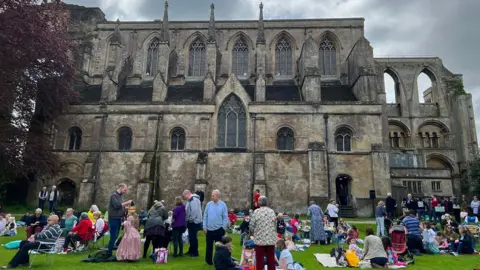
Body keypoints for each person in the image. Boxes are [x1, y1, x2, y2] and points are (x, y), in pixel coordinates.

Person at [250, 196, 277, 270]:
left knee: (259, 260)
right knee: (271, 260)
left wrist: (252, 233)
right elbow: (275, 225)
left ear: (259, 203)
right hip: (270, 239)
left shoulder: (256, 212)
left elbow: (252, 225)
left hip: (260, 240)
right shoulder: (272, 211)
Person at [203, 189, 228, 266]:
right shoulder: (209, 204)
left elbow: (225, 217)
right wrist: (204, 226)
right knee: (209, 246)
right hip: (209, 230)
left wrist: (223, 227)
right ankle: (208, 261)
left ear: (217, 196)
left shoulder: (223, 205)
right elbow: (205, 216)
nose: (212, 197)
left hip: (219, 230)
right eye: (212, 195)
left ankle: (219, 261)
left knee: (219, 247)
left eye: (213, 196)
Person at [107, 183, 132, 257]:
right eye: (124, 190)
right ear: (120, 188)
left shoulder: (119, 196)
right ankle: (109, 252)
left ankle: (110, 250)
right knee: (113, 236)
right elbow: (117, 205)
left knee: (116, 235)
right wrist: (126, 203)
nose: (125, 191)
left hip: (118, 218)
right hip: (113, 218)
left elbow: (120, 206)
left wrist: (126, 208)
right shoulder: (114, 195)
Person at [183, 189, 203, 257]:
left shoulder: (193, 200)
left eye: (184, 196)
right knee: (191, 237)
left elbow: (194, 211)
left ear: (187, 194)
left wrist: (190, 219)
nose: (185, 198)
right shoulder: (191, 200)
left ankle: (194, 252)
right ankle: (191, 250)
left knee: (193, 237)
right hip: (192, 221)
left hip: (194, 222)